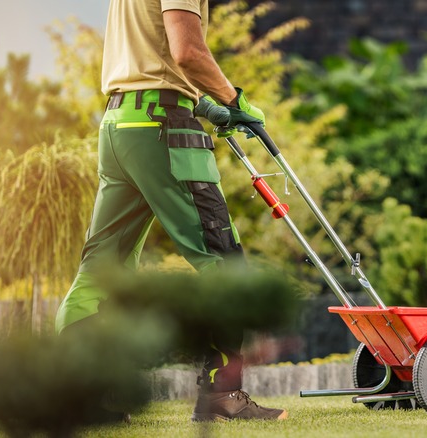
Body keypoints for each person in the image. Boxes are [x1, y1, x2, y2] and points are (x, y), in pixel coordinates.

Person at [54, 0, 288, 422]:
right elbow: (186, 52)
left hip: (119, 124)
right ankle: (223, 395)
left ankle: (79, 393)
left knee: (102, 269)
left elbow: (151, 58)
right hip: (164, 126)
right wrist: (233, 99)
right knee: (223, 261)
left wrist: (203, 104)